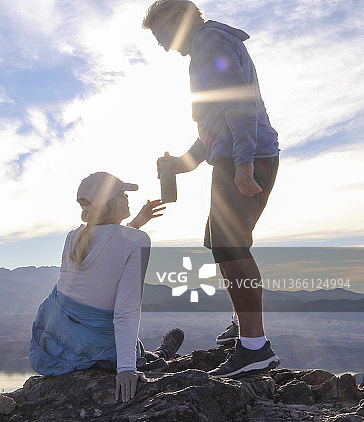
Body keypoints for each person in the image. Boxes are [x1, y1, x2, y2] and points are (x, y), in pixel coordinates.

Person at [142, 0, 281, 377]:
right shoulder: (210, 44)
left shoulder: (208, 43)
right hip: (241, 155)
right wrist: (181, 165)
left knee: (230, 246)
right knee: (222, 243)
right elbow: (213, 130)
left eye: (160, 33)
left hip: (246, 157)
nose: (159, 43)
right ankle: (243, 331)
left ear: (178, 21)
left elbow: (238, 103)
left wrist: (243, 163)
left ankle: (254, 347)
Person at [29, 171, 184, 403]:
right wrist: (126, 370)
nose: (127, 198)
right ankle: (160, 356)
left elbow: (107, 250)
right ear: (112, 203)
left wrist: (135, 223)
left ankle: (146, 355)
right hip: (91, 341)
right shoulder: (137, 240)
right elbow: (126, 309)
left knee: (114, 340)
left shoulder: (73, 237)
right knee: (130, 351)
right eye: (123, 194)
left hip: (55, 335)